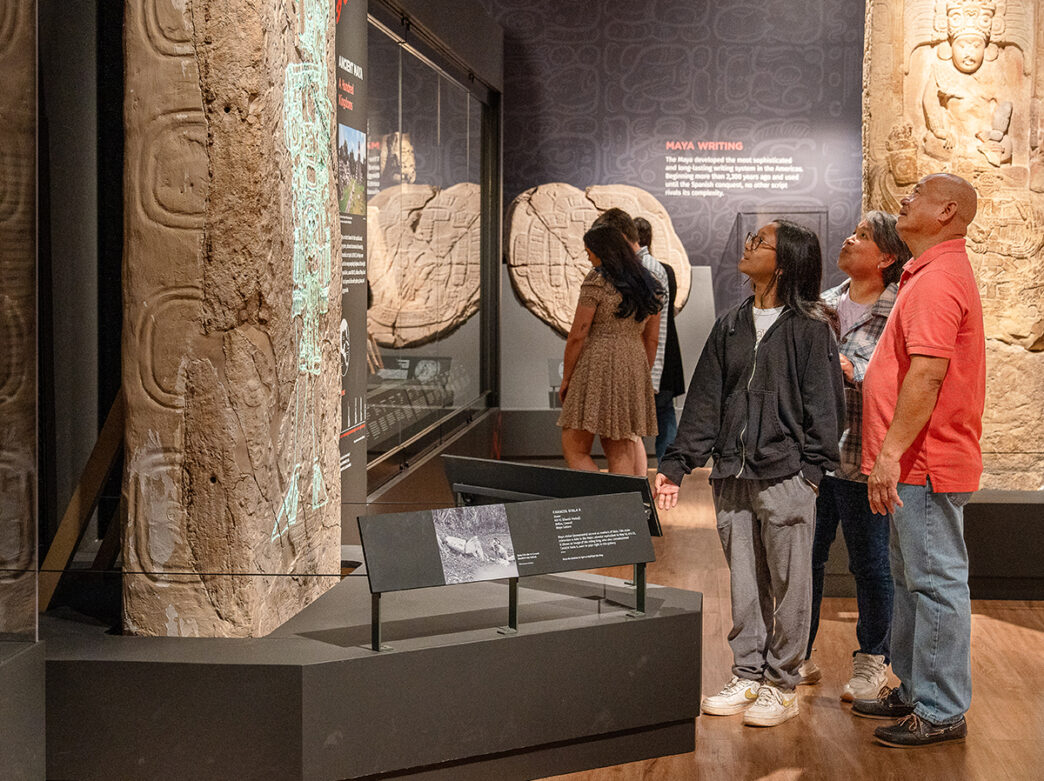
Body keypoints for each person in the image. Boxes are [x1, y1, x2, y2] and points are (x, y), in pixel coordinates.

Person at [655, 220, 845, 727]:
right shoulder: (731, 324)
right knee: (745, 581)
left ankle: (783, 682)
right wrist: (676, 464)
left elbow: (826, 409)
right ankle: (748, 673)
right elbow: (704, 401)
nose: (749, 245)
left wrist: (811, 471)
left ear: (783, 263)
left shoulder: (810, 328)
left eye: (761, 242)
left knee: (790, 582)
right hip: (732, 476)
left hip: (787, 477)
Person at [853, 173, 984, 748]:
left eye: (917, 194)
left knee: (933, 583)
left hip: (924, 462)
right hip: (915, 463)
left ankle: (940, 710)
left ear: (946, 210)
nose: (903, 199)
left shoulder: (936, 280)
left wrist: (890, 455)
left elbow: (928, 375)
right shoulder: (927, 272)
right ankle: (915, 689)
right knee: (911, 580)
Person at [801, 212, 910, 702]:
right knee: (806, 559)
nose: (850, 238)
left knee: (871, 564)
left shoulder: (900, 308)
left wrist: (846, 367)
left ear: (887, 256)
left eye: (864, 236)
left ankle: (872, 661)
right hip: (815, 457)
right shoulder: (822, 304)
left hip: (866, 459)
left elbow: (900, 380)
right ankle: (796, 654)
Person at [557, 224, 663, 475]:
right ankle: (621, 510)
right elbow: (652, 340)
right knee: (620, 451)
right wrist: (639, 374)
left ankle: (600, 505)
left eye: (589, 252)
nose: (589, 258)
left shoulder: (597, 279)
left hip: (597, 361)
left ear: (602, 251)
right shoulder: (650, 283)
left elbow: (578, 334)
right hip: (634, 361)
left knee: (574, 446)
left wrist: (567, 378)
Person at [592, 209, 669, 476]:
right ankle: (638, 503)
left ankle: (631, 505)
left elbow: (653, 333)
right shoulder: (643, 270)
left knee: (624, 443)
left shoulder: (641, 270)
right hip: (636, 365)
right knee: (630, 439)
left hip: (632, 366)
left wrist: (644, 371)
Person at [634, 217, 685, 464]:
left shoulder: (647, 271)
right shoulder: (668, 271)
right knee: (665, 413)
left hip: (650, 347)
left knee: (641, 417)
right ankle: (667, 468)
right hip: (668, 349)